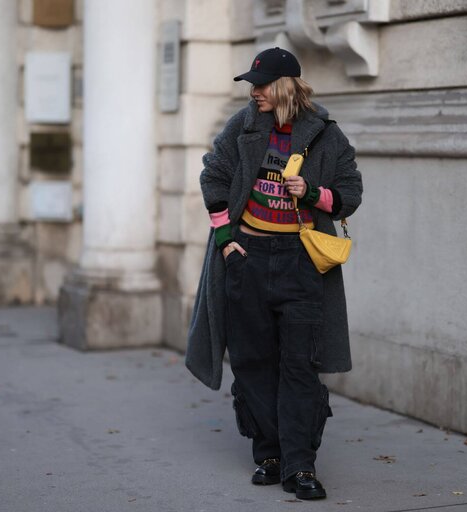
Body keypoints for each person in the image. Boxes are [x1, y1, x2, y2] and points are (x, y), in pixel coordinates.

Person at [185, 47, 363, 500]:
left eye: (261, 85)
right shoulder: (242, 126)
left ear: (284, 86)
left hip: (300, 260)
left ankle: (300, 465)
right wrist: (227, 244)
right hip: (249, 256)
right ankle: (268, 455)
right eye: (251, 84)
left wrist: (314, 194)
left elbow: (350, 193)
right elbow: (213, 178)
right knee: (252, 362)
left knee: (299, 365)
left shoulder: (325, 134)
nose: (254, 92)